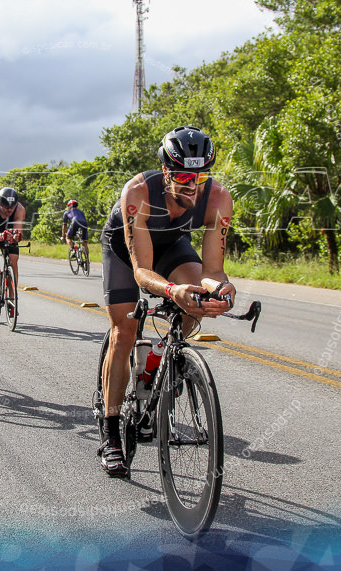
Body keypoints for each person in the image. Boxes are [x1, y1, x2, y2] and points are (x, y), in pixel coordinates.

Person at [98, 126, 235, 477]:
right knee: (124, 333)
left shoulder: (218, 198)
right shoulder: (138, 192)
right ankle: (112, 432)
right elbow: (143, 272)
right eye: (184, 176)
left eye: (201, 175)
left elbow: (213, 270)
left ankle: (158, 364)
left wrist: (223, 290)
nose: (193, 184)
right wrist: (174, 290)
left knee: (198, 301)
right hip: (126, 253)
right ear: (165, 171)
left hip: (172, 244)